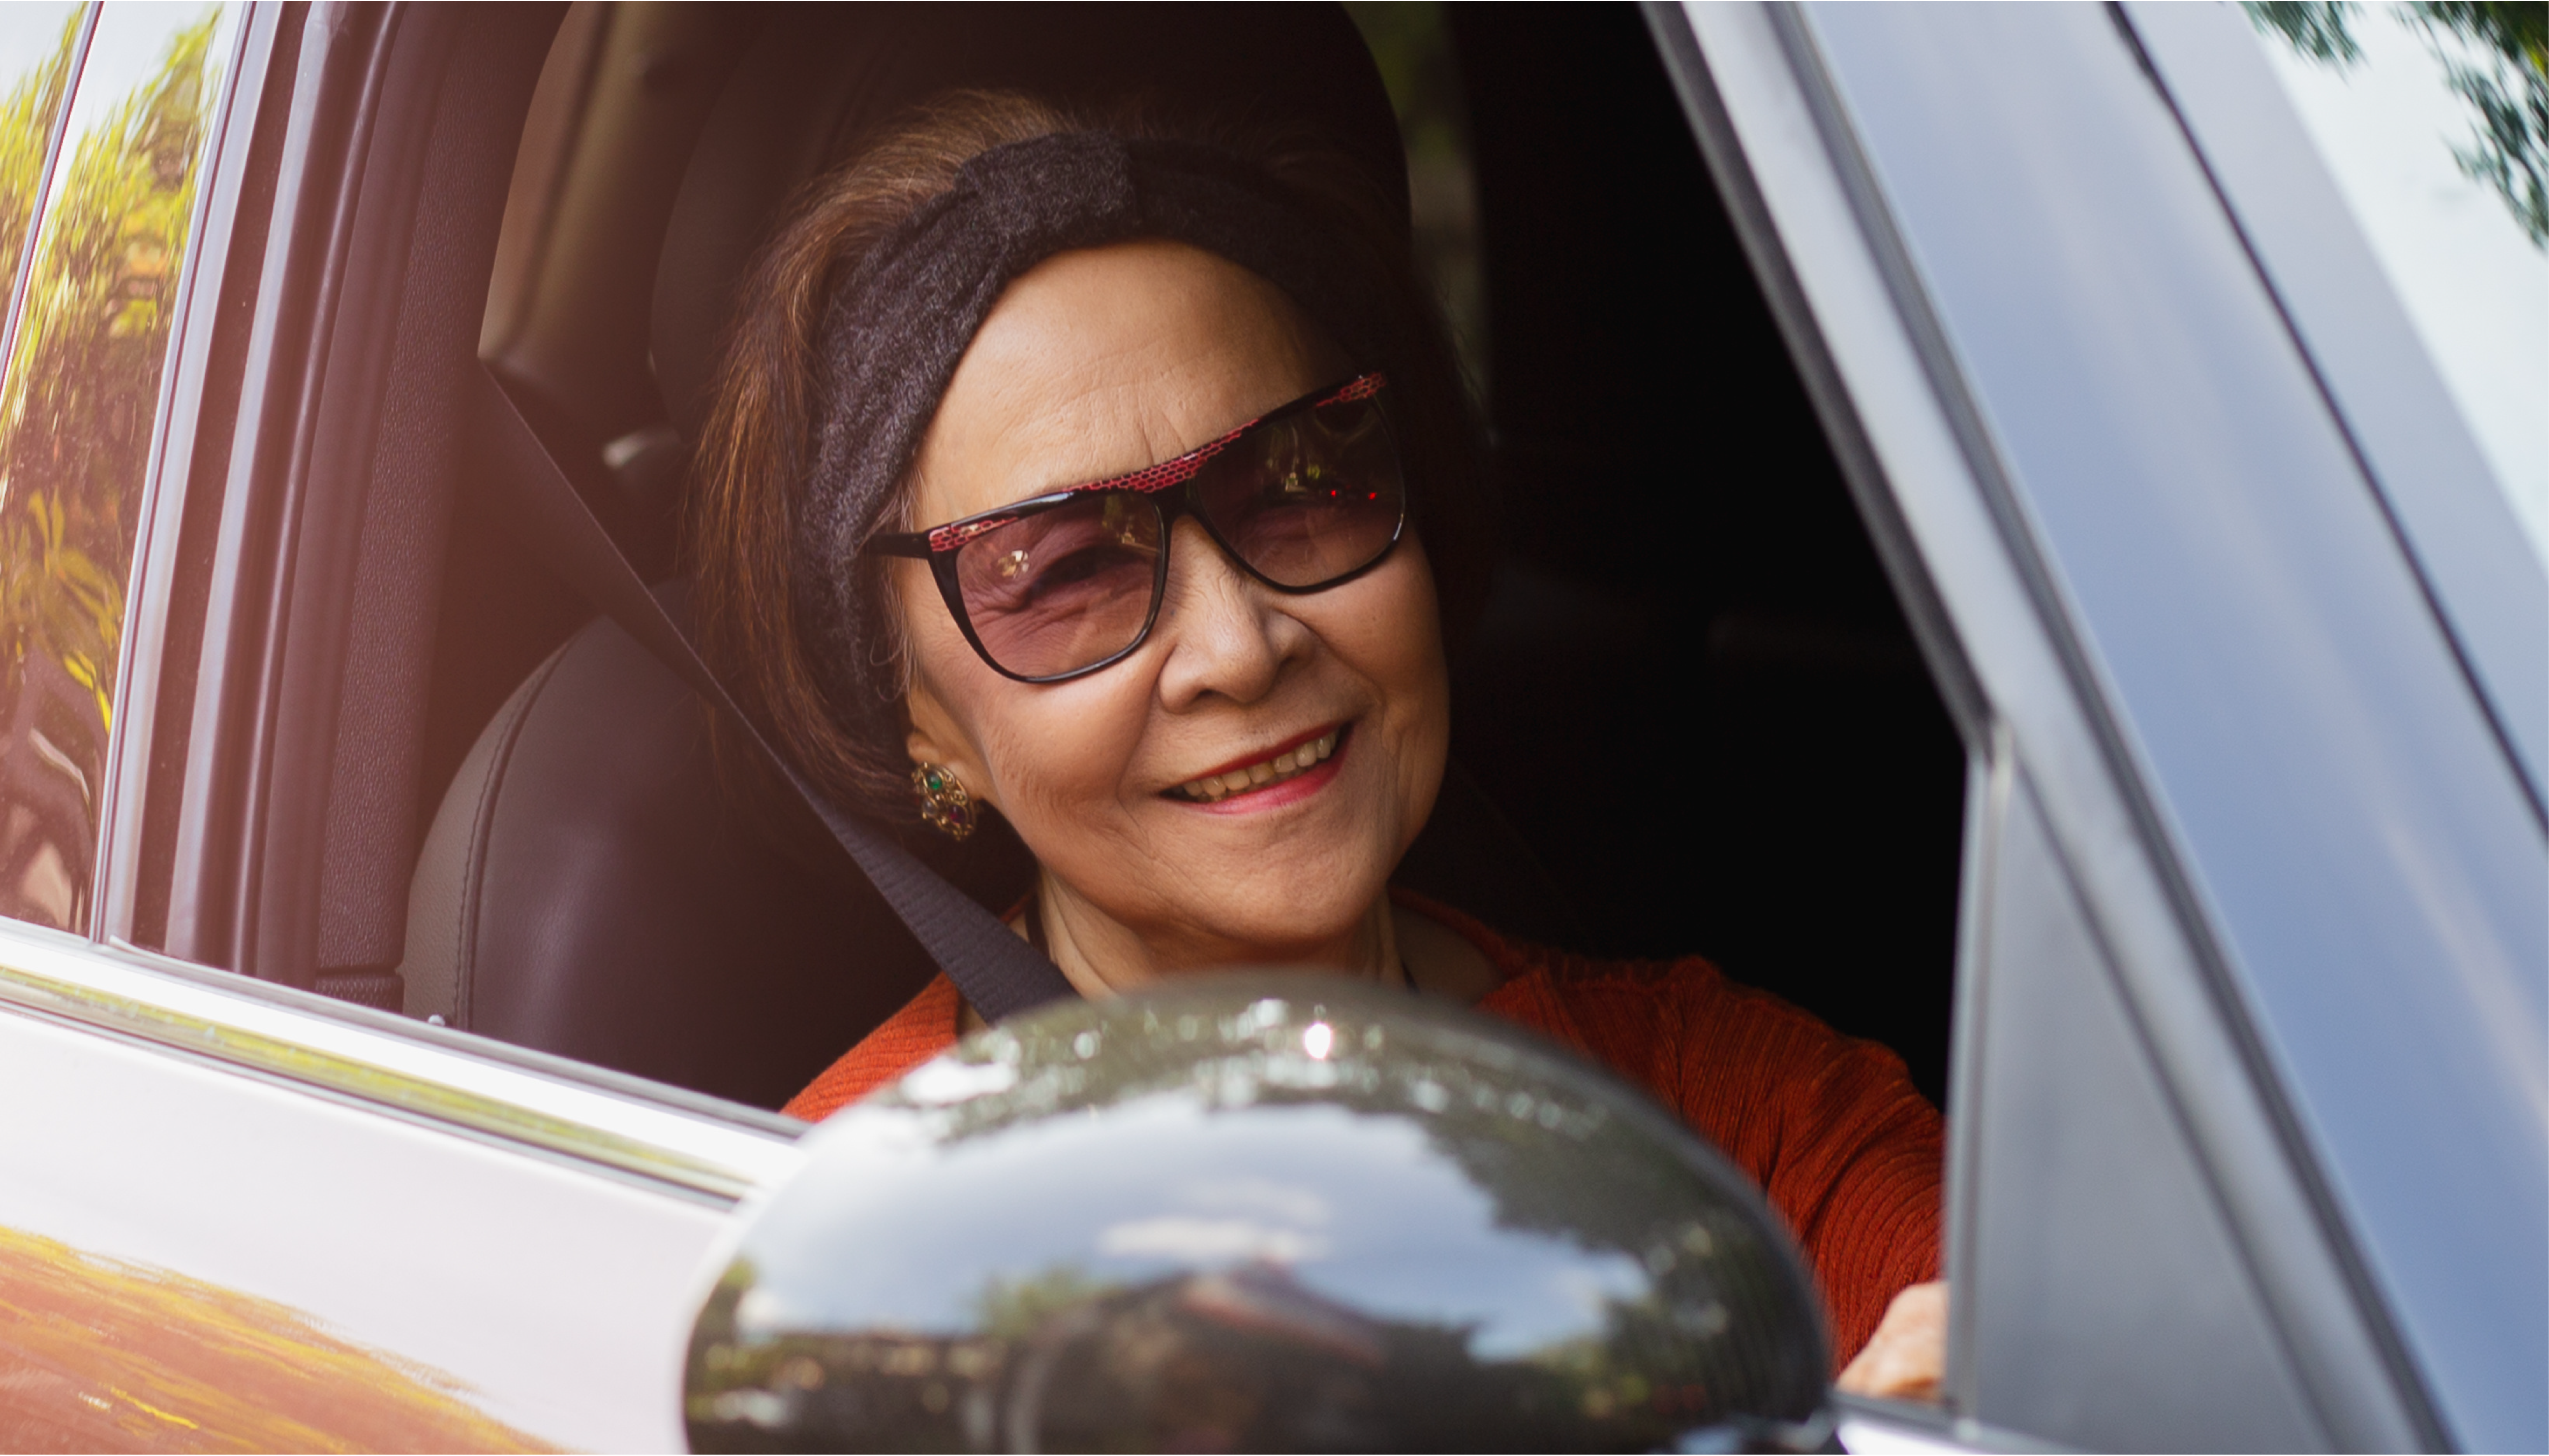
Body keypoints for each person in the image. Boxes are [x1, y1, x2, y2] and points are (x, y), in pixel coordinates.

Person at [682, 90, 1947, 1399]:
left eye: (1294, 488)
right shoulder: (823, 1281)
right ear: (913, 719)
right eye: (1060, 570)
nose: (1239, 647)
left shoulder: (1742, 1112)